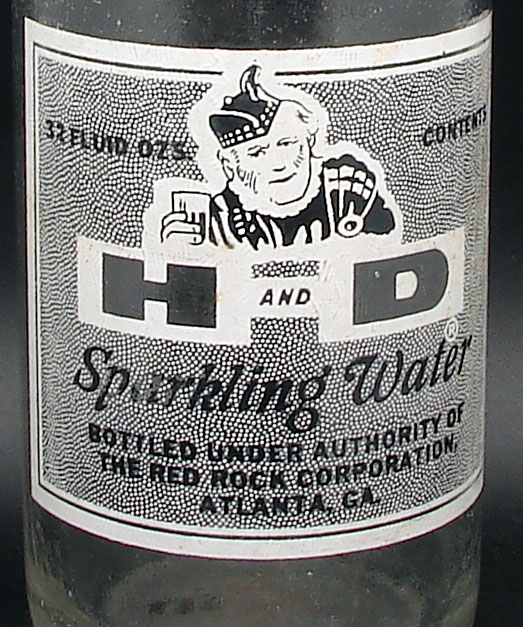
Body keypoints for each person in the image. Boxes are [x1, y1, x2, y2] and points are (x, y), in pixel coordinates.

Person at [162, 65, 396, 249]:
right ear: (229, 166)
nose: (278, 164)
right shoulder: (218, 219)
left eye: (286, 144)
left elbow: (385, 240)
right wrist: (183, 248)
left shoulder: (346, 190)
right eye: (256, 153)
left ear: (309, 140)